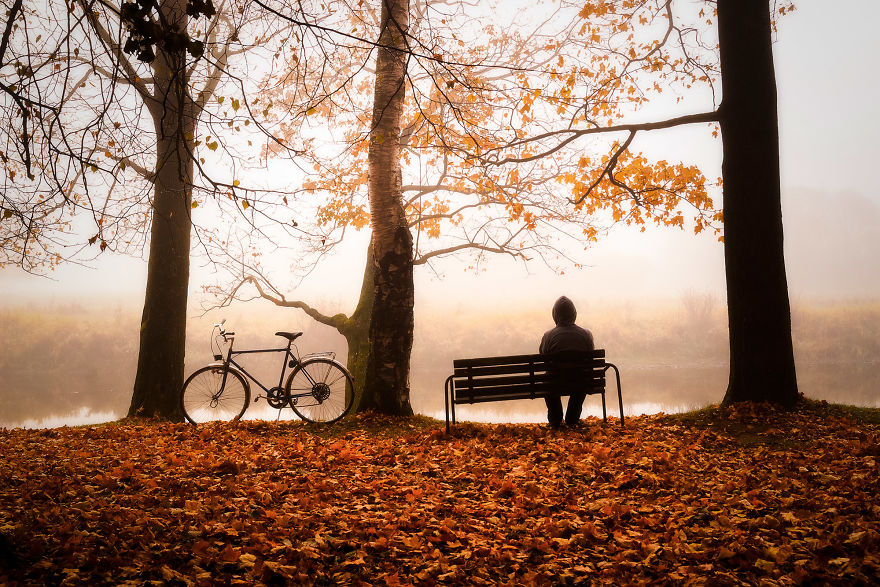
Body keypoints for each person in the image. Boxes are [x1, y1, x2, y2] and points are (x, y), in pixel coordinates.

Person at [539, 295, 595, 428]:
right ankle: (572, 418)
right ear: (574, 314)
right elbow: (590, 359)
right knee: (582, 377)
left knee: (548, 380)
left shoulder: (548, 336)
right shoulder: (586, 334)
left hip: (555, 382)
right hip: (580, 382)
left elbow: (543, 359)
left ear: (555, 315)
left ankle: (555, 419)